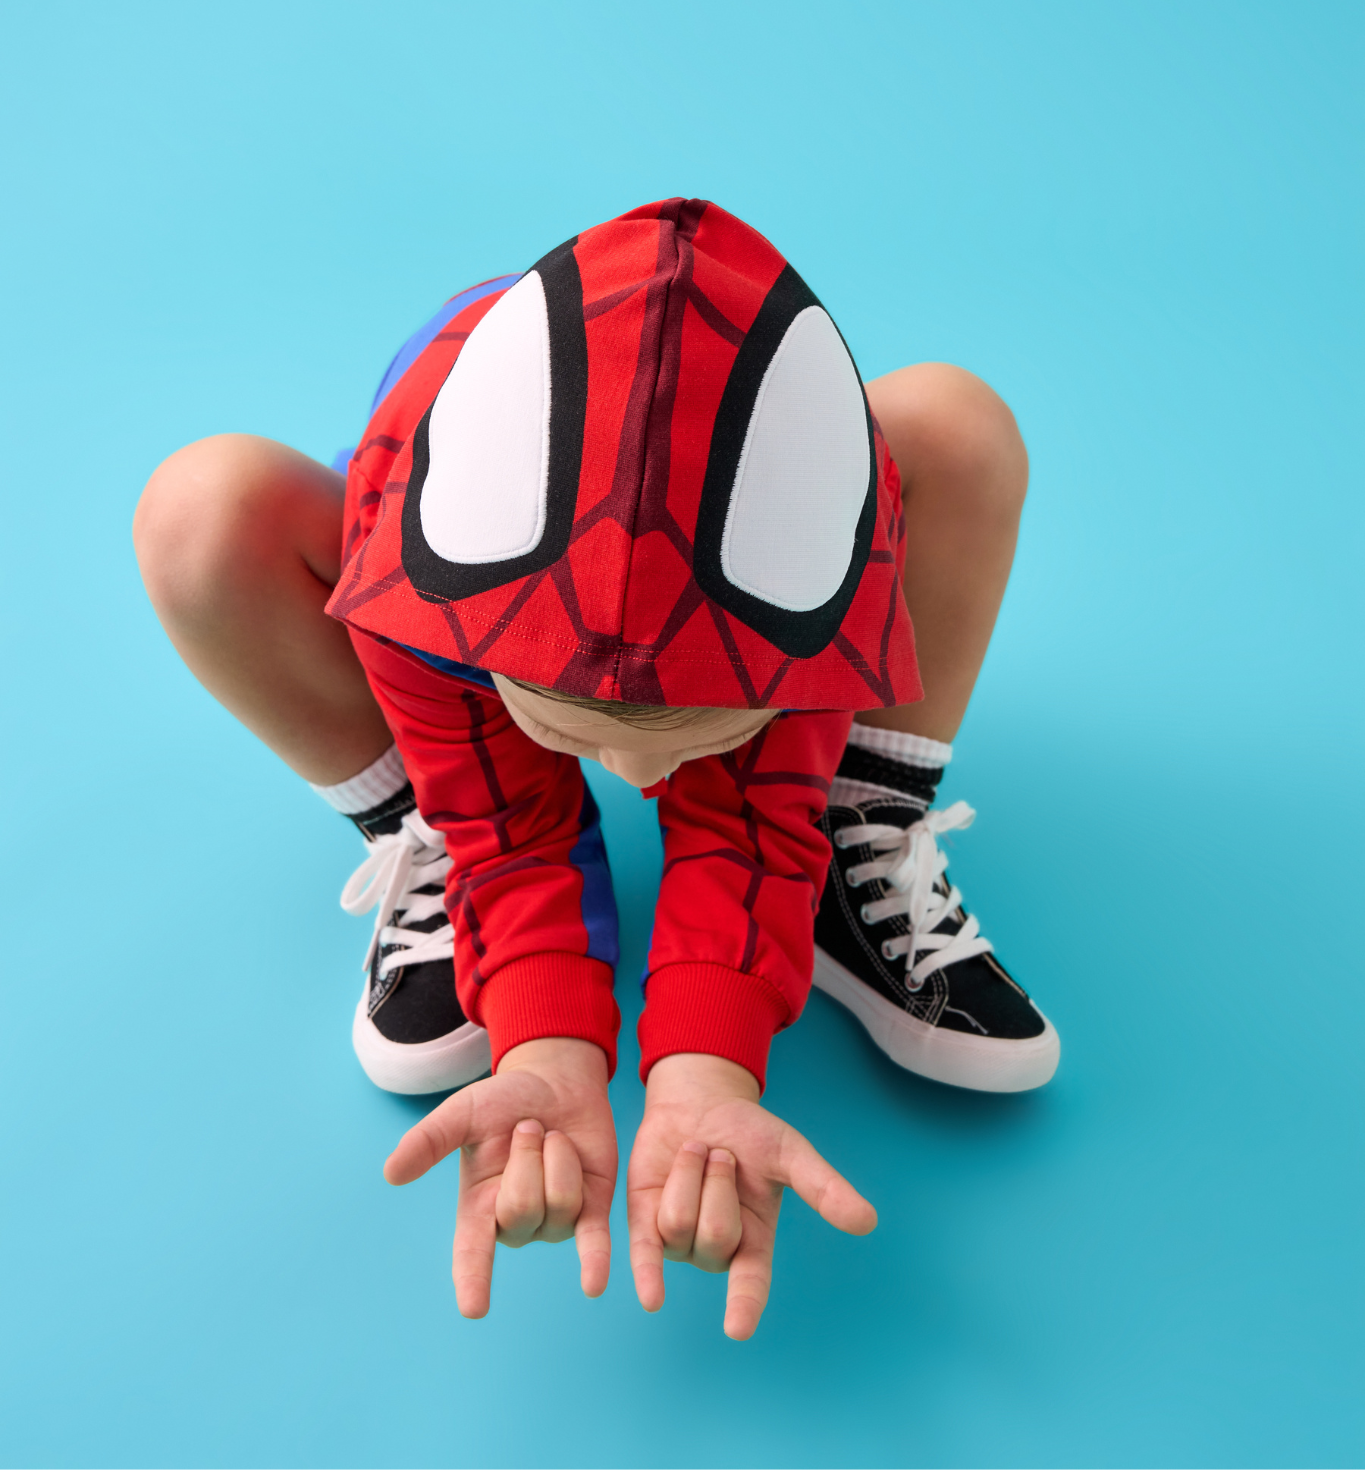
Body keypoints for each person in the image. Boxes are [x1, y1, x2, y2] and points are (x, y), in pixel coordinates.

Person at [133, 197, 1056, 1340]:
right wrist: (545, 1046)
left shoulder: (802, 566)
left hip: (706, 627)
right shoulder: (420, 572)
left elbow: (750, 821)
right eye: (582, 735)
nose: (633, 774)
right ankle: (410, 819)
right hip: (470, 622)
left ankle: (860, 816)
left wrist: (706, 1076)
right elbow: (513, 833)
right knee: (199, 511)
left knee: (954, 421)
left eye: (690, 745)